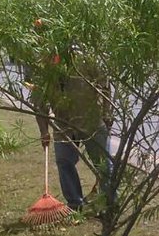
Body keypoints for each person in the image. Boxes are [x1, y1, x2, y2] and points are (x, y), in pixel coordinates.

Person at [34, 63, 113, 211]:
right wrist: (43, 131)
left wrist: (107, 113)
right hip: (63, 125)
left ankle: (109, 203)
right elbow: (39, 104)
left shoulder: (86, 60)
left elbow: (105, 87)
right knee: (64, 162)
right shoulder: (44, 66)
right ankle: (75, 204)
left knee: (103, 165)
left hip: (91, 121)